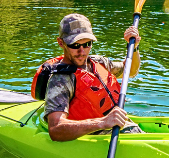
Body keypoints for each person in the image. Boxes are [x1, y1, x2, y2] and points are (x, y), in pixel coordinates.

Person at [32, 13, 142, 141]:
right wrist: (102, 122)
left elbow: (131, 70)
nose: (82, 51)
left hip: (122, 128)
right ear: (61, 43)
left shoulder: (99, 62)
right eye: (75, 45)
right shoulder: (61, 80)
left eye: (87, 44)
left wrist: (134, 47)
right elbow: (56, 129)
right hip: (97, 138)